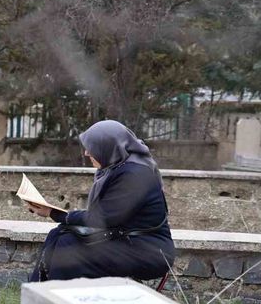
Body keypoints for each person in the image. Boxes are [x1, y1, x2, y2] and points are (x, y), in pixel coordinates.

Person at [27, 120, 174, 281]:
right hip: (126, 240)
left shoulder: (135, 175)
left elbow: (102, 219)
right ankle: (39, 296)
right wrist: (58, 215)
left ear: (109, 148)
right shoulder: (118, 168)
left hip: (149, 251)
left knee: (69, 250)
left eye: (92, 149)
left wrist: (53, 213)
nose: (86, 153)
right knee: (59, 234)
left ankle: (63, 302)